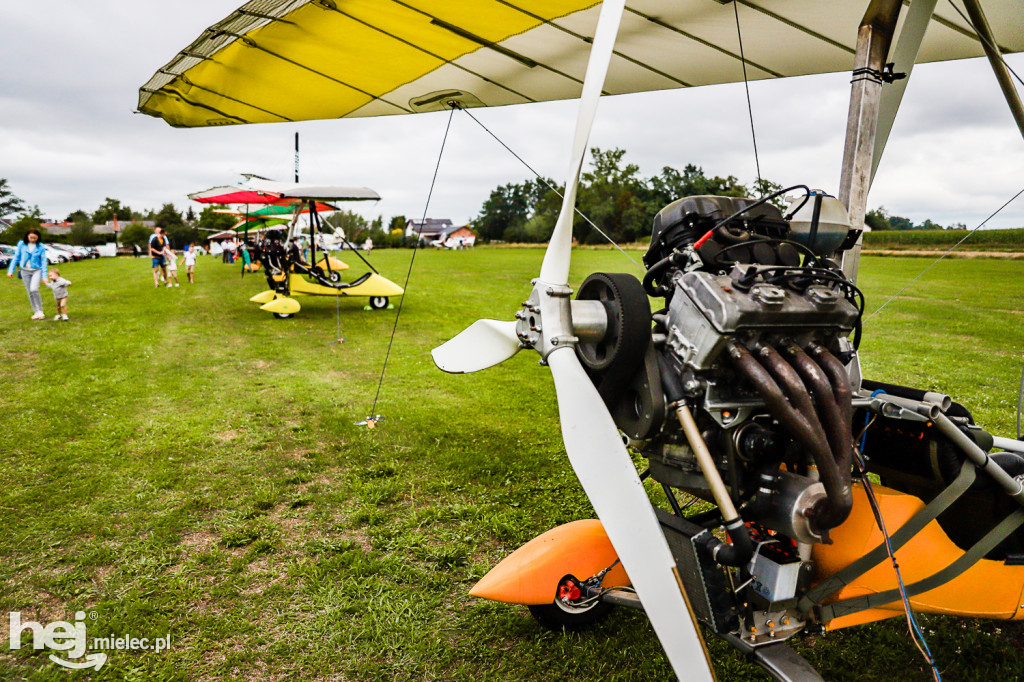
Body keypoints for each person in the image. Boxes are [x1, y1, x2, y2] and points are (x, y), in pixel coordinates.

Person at [6, 227, 48, 319]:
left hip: (36, 270)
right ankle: (36, 312)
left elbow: (44, 262)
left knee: (34, 289)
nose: (33, 240)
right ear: (27, 236)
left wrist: (44, 276)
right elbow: (16, 257)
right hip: (24, 271)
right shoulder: (21, 244)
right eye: (31, 237)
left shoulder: (40, 246)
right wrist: (10, 270)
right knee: (30, 292)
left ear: (38, 238)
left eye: (35, 238)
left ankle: (40, 310)